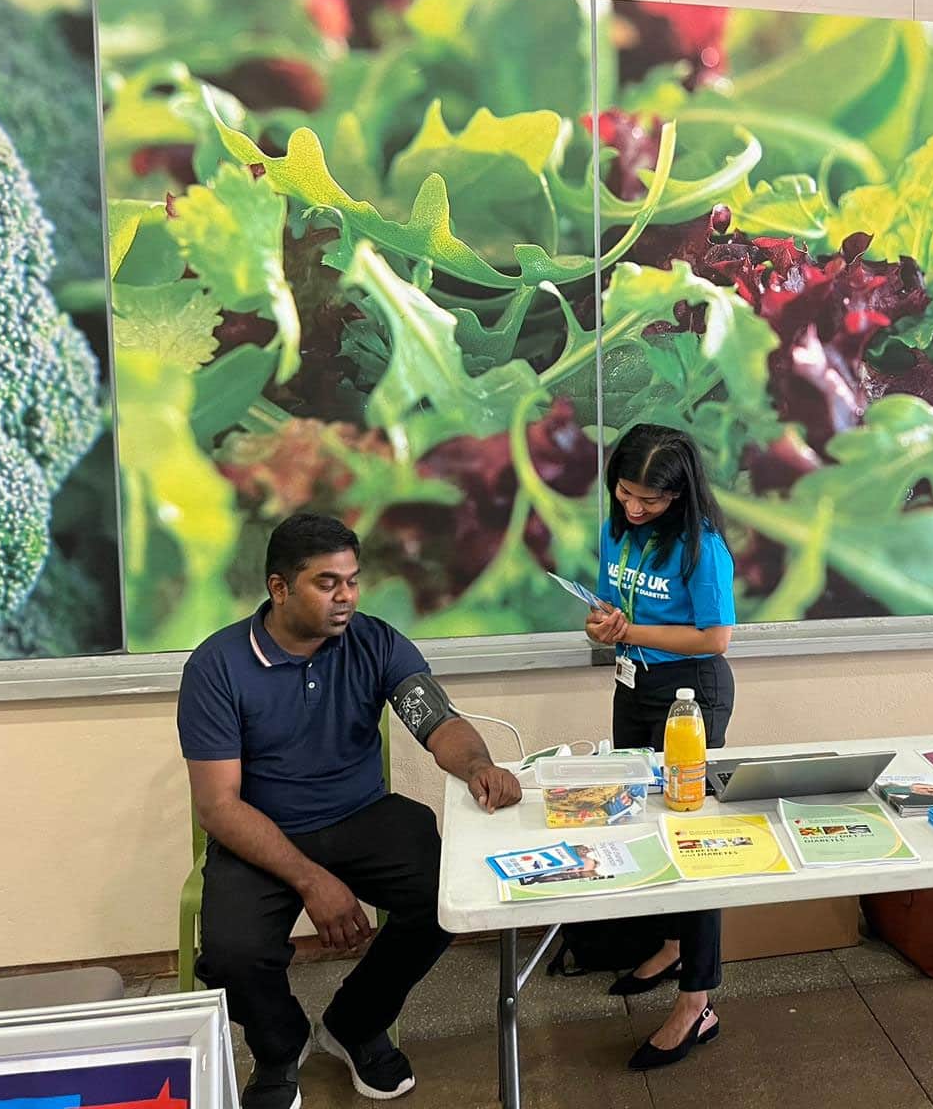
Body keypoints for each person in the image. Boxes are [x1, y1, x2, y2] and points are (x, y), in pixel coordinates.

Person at [178, 513, 522, 1109]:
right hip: (260, 829)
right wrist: (314, 881)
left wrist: (477, 766)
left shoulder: (376, 642)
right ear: (279, 587)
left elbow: (437, 721)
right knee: (233, 954)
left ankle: (355, 1023)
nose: (346, 597)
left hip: (361, 814)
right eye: (327, 583)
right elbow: (218, 805)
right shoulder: (217, 666)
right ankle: (280, 1047)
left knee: (445, 899)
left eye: (353, 581)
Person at [584, 424, 735, 1070]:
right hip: (635, 684)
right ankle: (671, 944)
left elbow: (715, 639)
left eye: (650, 499)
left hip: (691, 695)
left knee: (690, 837)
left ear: (681, 493)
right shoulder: (617, 531)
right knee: (642, 819)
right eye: (625, 493)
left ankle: (698, 1000)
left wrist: (630, 631)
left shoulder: (703, 547)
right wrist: (601, 625)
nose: (634, 507)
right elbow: (606, 609)